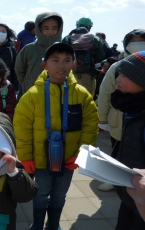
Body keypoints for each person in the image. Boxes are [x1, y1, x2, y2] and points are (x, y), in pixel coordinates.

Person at [14, 42, 99, 230]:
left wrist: (81, 155)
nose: (61, 65)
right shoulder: (32, 96)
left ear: (73, 65)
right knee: (41, 193)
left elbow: (90, 126)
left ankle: (53, 224)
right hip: (41, 160)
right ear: (45, 65)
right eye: (55, 60)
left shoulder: (82, 95)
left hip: (69, 159)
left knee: (60, 194)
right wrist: (26, 156)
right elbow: (22, 128)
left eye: (67, 60)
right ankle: (37, 224)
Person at [97, 28, 145, 192]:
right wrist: (103, 119)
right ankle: (114, 180)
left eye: (141, 41)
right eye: (132, 41)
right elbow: (105, 93)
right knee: (117, 151)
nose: (137, 45)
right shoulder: (117, 66)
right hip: (118, 123)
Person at [111, 50, 145, 230]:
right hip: (130, 201)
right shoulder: (134, 107)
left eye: (125, 75)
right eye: (118, 74)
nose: (118, 79)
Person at [14, 12, 64, 93]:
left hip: (60, 96)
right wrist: (27, 85)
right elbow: (19, 70)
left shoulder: (66, 50)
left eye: (54, 28)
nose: (50, 32)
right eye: (46, 28)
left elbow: (72, 71)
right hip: (32, 96)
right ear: (39, 29)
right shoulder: (29, 49)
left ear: (59, 29)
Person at [61, 17, 107, 96]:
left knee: (68, 100)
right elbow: (100, 57)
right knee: (86, 102)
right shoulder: (95, 39)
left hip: (69, 74)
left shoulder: (67, 38)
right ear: (89, 27)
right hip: (88, 75)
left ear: (77, 25)